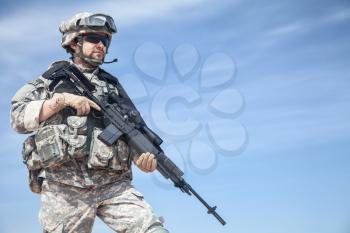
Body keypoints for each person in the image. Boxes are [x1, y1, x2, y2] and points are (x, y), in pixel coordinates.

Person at [11, 12, 169, 233]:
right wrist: (61, 101)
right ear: (74, 42)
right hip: (65, 187)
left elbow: (133, 131)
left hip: (114, 185)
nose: (101, 45)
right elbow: (17, 117)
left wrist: (142, 160)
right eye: (94, 39)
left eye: (105, 40)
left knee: (154, 230)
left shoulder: (112, 86)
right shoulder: (52, 80)